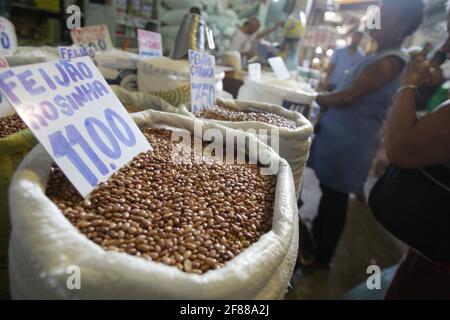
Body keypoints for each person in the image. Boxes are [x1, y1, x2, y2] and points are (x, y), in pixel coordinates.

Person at [304, 0, 425, 269]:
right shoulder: (380, 55)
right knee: (329, 194)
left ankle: (322, 256)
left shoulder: (389, 62)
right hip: (342, 138)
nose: (376, 21)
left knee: (335, 199)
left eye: (385, 16)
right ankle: (316, 238)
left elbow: (348, 96)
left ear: (402, 27)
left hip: (350, 143)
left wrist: (314, 97)